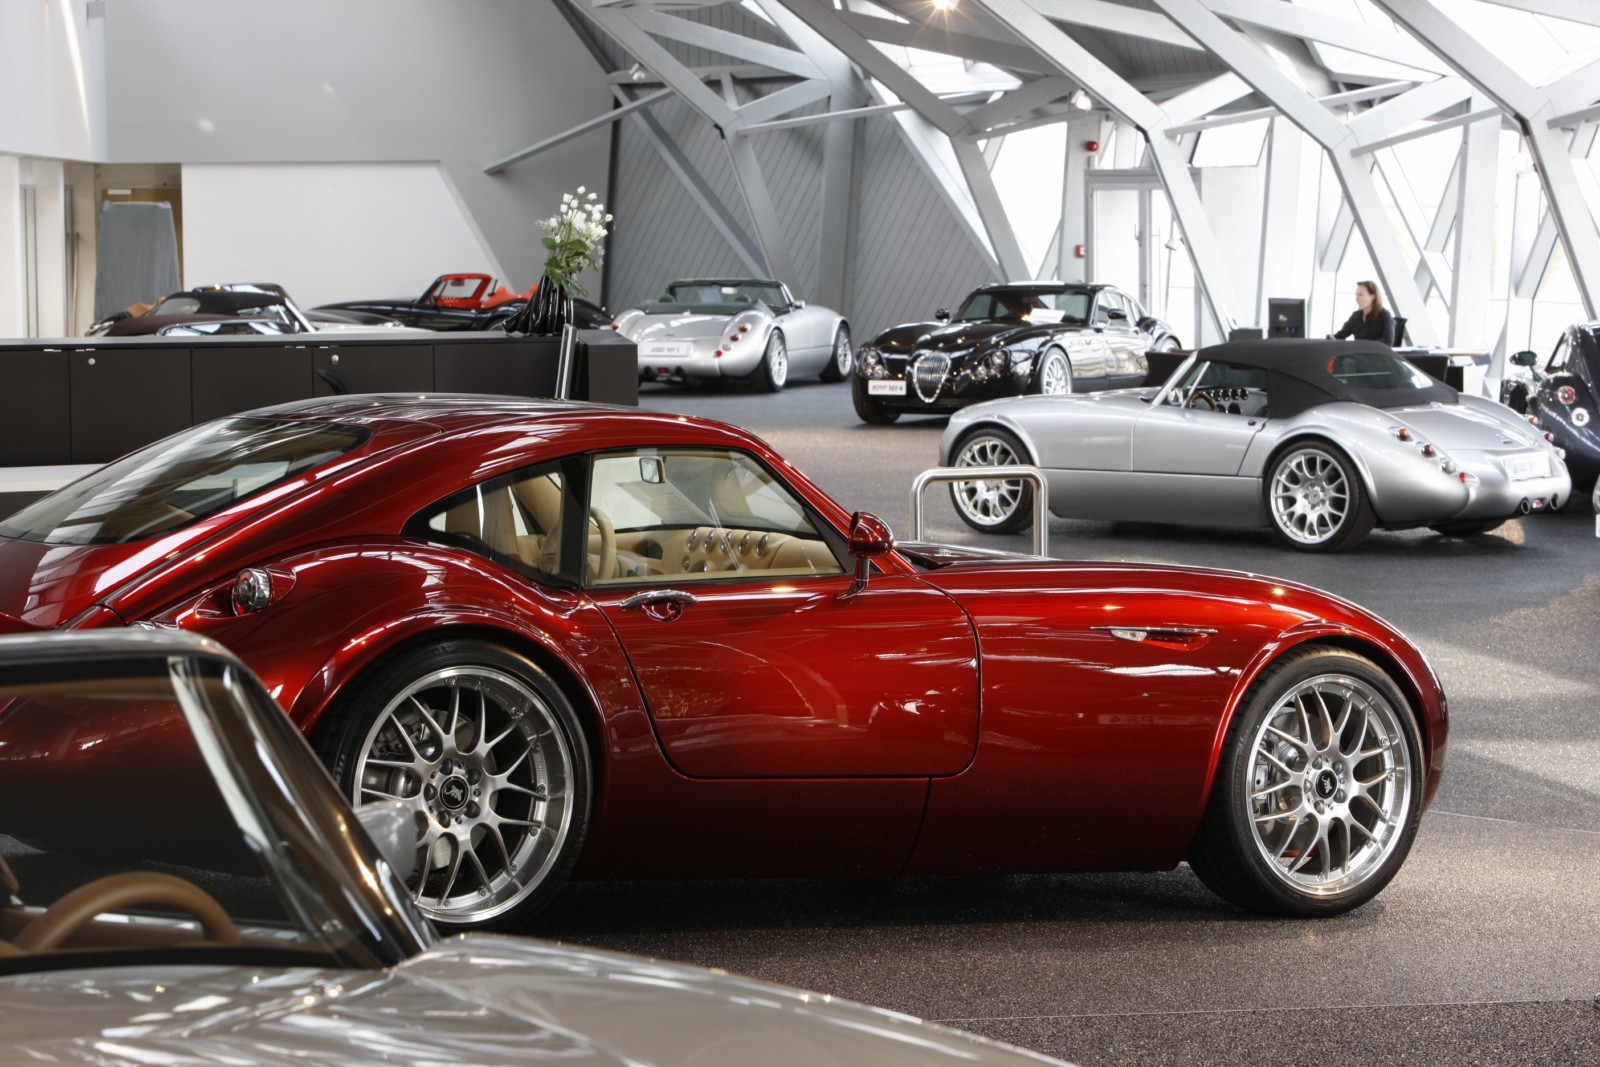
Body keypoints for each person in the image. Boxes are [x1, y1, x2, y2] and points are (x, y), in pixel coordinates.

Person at [1334, 280, 1395, 345]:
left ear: (1373, 296)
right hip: (1359, 351)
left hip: (1374, 351)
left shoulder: (1385, 316)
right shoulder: (1356, 316)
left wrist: (1362, 345)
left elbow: (1387, 341)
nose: (1356, 299)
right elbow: (1340, 336)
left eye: (1360, 295)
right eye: (1356, 295)